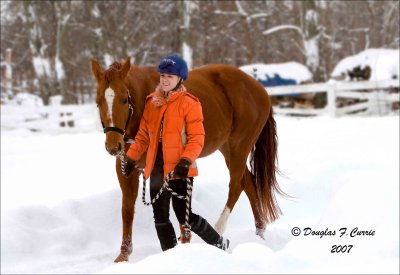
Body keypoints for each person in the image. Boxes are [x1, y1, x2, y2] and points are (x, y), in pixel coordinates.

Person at [123, 54, 230, 252]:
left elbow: (197, 138)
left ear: (180, 79)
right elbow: (143, 136)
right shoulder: (151, 103)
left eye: (169, 76)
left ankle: (219, 243)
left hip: (180, 168)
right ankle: (171, 257)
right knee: (160, 217)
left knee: (184, 215)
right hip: (156, 167)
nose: (164, 80)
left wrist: (186, 161)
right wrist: (131, 157)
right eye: (162, 75)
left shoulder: (190, 103)